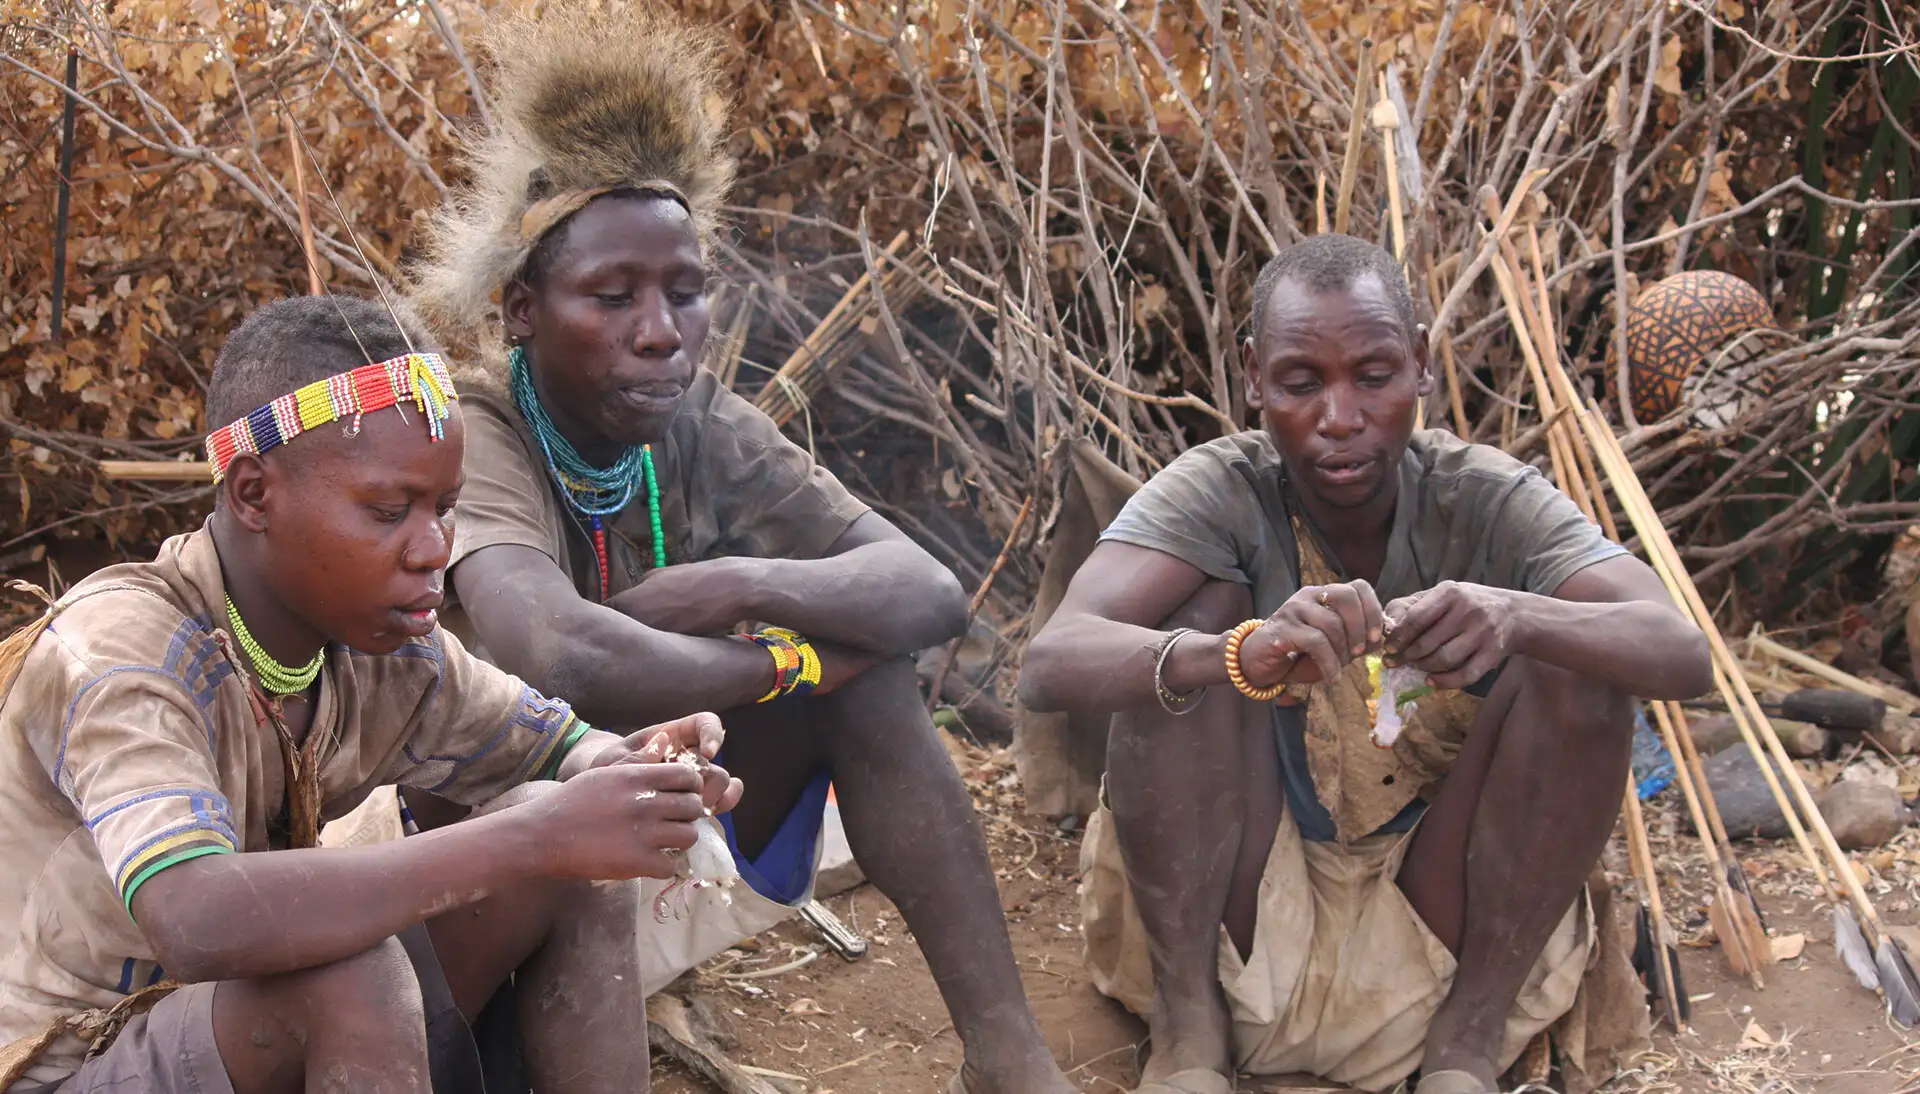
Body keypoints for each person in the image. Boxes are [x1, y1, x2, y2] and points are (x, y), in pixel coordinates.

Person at [405, 9, 1073, 1094]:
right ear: (521, 308)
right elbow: (558, 653)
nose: (661, 329)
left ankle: (1011, 1058)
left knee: (877, 689)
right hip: (494, 883)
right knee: (835, 666)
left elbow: (929, 590)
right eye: (612, 297)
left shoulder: (700, 422)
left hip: (651, 824)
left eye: (684, 289)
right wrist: (787, 658)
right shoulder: (480, 434)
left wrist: (733, 582)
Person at [1020, 234, 1714, 1094]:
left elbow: (1684, 654)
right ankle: (1188, 1028)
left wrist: (1517, 615)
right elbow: (1049, 663)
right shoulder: (1220, 491)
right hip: (1242, 916)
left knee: (1579, 662)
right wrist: (1232, 653)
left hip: (1440, 923)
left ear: (1421, 365)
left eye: (1374, 376)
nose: (1339, 417)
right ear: (1253, 378)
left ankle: (1467, 1045)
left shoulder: (1486, 498)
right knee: (1195, 622)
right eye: (1301, 383)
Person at [0, 296, 744, 1094]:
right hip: (68, 1070)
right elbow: (194, 918)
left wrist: (633, 769)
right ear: (253, 495)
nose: (433, 549)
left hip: (235, 1034)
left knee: (566, 862)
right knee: (352, 973)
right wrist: (539, 835)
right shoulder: (120, 652)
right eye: (390, 512)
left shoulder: (382, 648)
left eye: (445, 508)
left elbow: (558, 749)